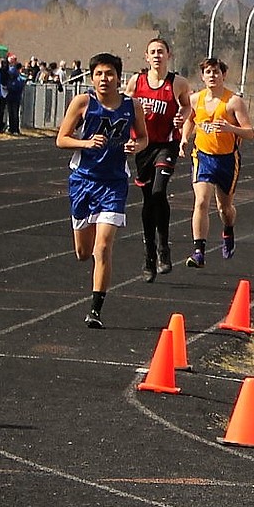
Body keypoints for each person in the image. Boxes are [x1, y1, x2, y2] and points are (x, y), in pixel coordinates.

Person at [55, 53, 148, 328]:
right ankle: (91, 269)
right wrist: (85, 144)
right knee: (84, 252)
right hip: (83, 181)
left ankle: (95, 309)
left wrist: (136, 146)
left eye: (109, 74)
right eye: (98, 74)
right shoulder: (83, 103)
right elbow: (61, 139)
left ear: (119, 77)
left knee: (103, 247)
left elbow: (143, 137)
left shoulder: (132, 106)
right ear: (92, 77)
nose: (104, 79)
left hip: (114, 183)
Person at [126, 38, 192, 282]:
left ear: (168, 55)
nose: (157, 56)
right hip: (143, 145)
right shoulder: (137, 82)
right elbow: (124, 107)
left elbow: (187, 107)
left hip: (166, 144)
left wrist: (181, 117)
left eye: (161, 52)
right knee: (148, 199)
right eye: (152, 52)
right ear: (146, 57)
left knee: (158, 192)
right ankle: (149, 255)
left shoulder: (177, 83)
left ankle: (163, 247)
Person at [181, 58, 254, 268]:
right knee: (201, 201)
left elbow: (250, 132)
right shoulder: (196, 99)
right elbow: (190, 119)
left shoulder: (233, 102)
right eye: (208, 72)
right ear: (202, 76)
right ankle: (198, 251)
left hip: (227, 160)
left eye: (216, 72)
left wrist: (230, 129)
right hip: (202, 156)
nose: (212, 76)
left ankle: (228, 230)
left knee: (225, 208)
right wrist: (185, 138)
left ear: (224, 75)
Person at [4, 59, 25, 134]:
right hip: (12, 97)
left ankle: (15, 129)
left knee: (14, 113)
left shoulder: (18, 79)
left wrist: (9, 88)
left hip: (14, 97)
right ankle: (12, 128)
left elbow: (17, 88)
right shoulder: (15, 78)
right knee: (11, 113)